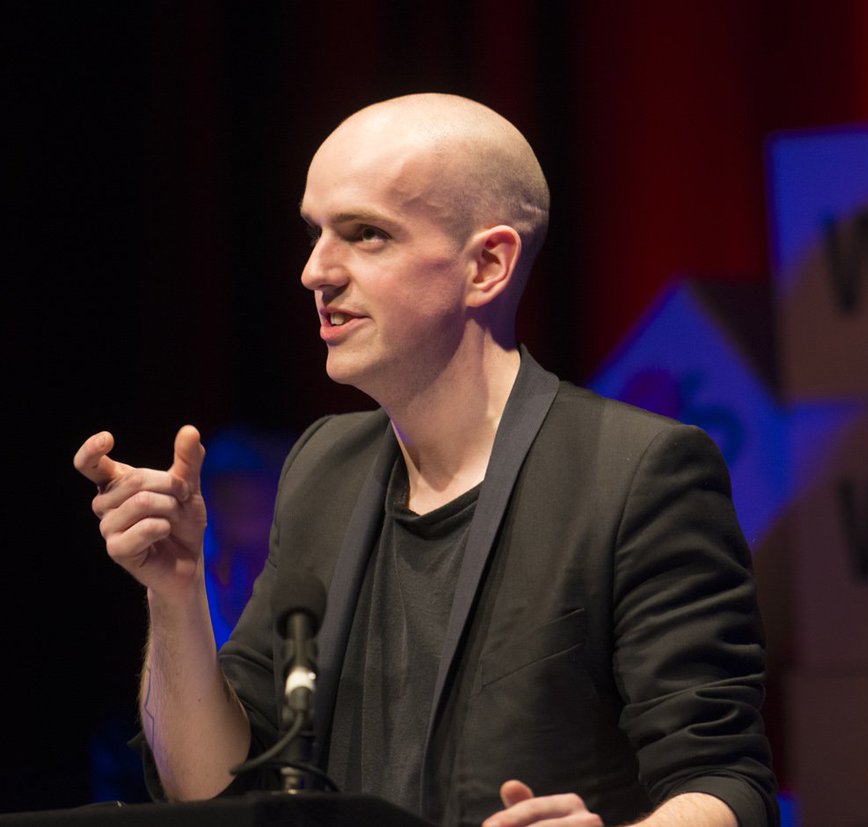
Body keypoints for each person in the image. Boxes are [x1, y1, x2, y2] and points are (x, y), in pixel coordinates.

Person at [74, 93, 777, 827]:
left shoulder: (637, 472)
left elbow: (726, 785)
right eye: (315, 233)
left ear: (488, 265)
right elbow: (207, 788)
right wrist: (176, 592)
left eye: (366, 234)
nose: (316, 271)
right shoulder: (324, 467)